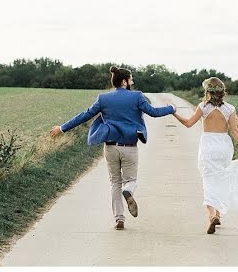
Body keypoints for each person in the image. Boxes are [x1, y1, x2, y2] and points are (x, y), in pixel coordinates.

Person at [50, 66, 176, 230]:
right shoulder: (137, 96)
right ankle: (129, 192)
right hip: (129, 147)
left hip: (110, 147)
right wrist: (171, 108)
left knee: (115, 182)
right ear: (124, 81)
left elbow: (85, 115)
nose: (132, 82)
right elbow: (153, 112)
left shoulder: (103, 99)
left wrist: (62, 128)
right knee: (130, 181)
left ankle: (119, 219)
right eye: (130, 79)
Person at [172, 76, 238, 234]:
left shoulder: (203, 107)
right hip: (224, 146)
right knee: (221, 178)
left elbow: (188, 123)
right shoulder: (230, 109)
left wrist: (174, 113)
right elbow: (235, 131)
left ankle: (212, 214)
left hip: (208, 146)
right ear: (222, 93)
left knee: (208, 180)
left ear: (208, 92)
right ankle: (219, 212)